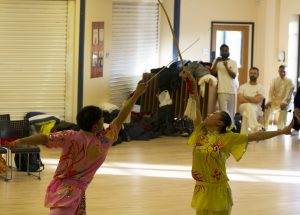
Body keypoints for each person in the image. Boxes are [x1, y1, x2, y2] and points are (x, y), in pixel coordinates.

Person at [7, 82, 148, 214]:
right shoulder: (104, 140)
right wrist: (136, 95)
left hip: (63, 191)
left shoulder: (69, 135)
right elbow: (121, 117)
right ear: (95, 126)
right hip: (70, 196)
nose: (104, 121)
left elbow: (43, 138)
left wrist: (20, 141)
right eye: (101, 120)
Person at [183, 71, 293, 215]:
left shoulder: (228, 138)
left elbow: (258, 135)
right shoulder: (201, 132)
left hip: (218, 192)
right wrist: (192, 84)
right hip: (201, 189)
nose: (208, 115)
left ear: (219, 122)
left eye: (212, 114)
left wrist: (281, 131)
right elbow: (196, 106)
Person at [211, 44, 238, 121]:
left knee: (231, 113)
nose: (224, 52)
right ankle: (225, 129)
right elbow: (212, 73)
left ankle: (232, 128)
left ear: (228, 52)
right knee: (223, 113)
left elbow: (233, 75)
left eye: (226, 50)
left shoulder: (233, 62)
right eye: (222, 51)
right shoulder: (217, 62)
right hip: (221, 90)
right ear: (220, 52)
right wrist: (216, 61)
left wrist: (226, 67)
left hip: (232, 90)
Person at [264, 65, 294, 130]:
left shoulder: (290, 81)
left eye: (284, 71)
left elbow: (288, 94)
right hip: (275, 101)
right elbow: (270, 92)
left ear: (286, 72)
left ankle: (280, 128)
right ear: (278, 71)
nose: (282, 73)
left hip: (287, 102)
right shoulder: (274, 80)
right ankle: (264, 126)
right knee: (267, 106)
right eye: (281, 71)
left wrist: (284, 102)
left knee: (284, 107)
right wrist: (269, 101)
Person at [237, 67, 265, 133]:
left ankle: (244, 135)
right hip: (242, 107)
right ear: (249, 74)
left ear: (258, 75)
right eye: (251, 73)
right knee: (248, 106)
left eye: (254, 73)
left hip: (256, 108)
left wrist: (245, 96)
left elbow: (257, 100)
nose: (252, 75)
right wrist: (253, 98)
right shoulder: (243, 86)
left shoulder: (261, 88)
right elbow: (240, 100)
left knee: (245, 114)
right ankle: (256, 128)